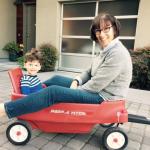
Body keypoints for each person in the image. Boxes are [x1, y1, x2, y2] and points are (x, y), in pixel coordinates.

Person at [0, 13, 132, 119]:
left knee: (54, 92)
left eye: (106, 28)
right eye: (98, 30)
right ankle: (32, 100)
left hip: (103, 96)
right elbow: (89, 71)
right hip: (95, 89)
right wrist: (76, 80)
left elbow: (97, 84)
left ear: (115, 28)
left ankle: (7, 109)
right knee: (55, 80)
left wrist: (75, 90)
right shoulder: (105, 49)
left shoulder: (117, 53)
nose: (102, 34)